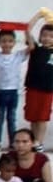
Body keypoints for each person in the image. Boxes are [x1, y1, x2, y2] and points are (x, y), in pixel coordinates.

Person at [23, 14, 53, 144]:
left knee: (42, 118)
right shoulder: (35, 49)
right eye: (45, 35)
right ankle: (33, 141)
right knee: (33, 118)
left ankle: (39, 143)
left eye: (51, 37)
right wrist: (38, 16)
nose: (47, 39)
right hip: (32, 88)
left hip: (47, 90)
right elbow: (27, 30)